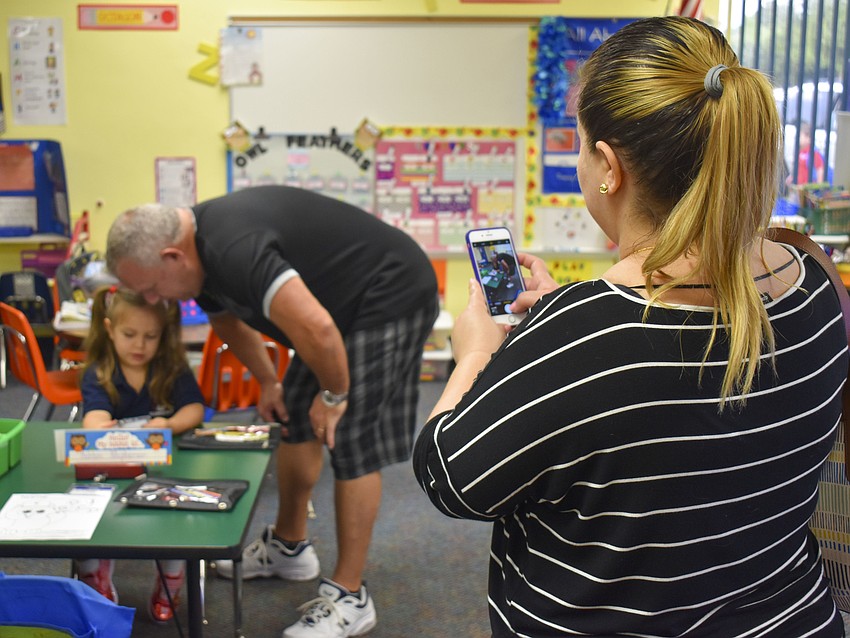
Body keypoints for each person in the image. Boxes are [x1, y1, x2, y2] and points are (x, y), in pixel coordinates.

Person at [413, 16, 846, 637]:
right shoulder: (814, 277)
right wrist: (568, 329)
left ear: (608, 165)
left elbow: (451, 478)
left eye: (579, 143)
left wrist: (477, 354)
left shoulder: (588, 333)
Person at [105, 185, 439, 638]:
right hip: (335, 308)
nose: (150, 302)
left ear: (172, 257)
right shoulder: (197, 258)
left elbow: (318, 328)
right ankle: (289, 547)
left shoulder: (233, 248)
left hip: (389, 291)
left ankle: (350, 596)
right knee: (293, 417)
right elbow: (226, 322)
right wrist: (268, 381)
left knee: (351, 439)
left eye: (147, 289)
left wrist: (335, 397)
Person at [77, 285, 205, 623]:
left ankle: (172, 578)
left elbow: (195, 408)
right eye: (130, 334)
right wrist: (102, 426)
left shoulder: (171, 369)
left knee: (176, 519)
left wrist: (171, 423)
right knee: (86, 513)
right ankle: (94, 574)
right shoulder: (99, 372)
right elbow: (93, 416)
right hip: (116, 470)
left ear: (163, 335)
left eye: (150, 336)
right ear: (109, 330)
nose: (139, 344)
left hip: (166, 469)